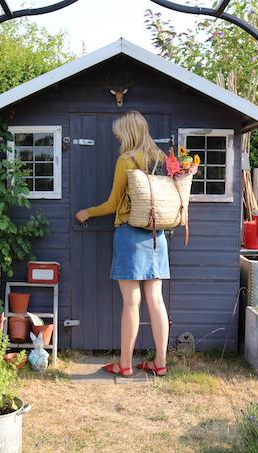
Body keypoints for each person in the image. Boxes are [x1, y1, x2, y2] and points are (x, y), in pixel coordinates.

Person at [75, 111, 170, 377]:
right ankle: (160, 363)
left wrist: (87, 212)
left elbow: (113, 204)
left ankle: (125, 363)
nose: (118, 140)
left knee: (131, 302)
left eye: (120, 135)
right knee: (156, 300)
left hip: (130, 234)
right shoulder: (161, 159)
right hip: (157, 236)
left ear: (128, 134)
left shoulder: (126, 161)